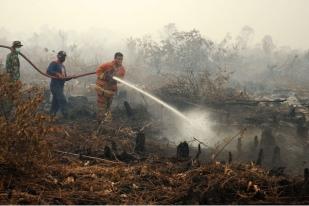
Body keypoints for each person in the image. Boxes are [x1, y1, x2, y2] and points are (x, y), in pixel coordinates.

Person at [95, 52, 125, 121]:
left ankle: (105, 121)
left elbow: (120, 79)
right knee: (101, 107)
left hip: (110, 91)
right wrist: (105, 76)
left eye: (121, 59)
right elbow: (98, 71)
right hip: (102, 89)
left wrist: (115, 78)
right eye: (119, 59)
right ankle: (100, 122)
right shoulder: (107, 65)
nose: (120, 61)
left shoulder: (122, 69)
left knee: (108, 107)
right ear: (115, 59)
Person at [47, 51, 72, 118]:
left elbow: (64, 78)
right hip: (55, 85)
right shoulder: (54, 63)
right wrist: (57, 74)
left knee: (56, 102)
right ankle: (66, 115)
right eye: (62, 56)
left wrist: (71, 77)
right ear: (58, 56)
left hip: (60, 86)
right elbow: (48, 71)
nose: (63, 58)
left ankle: (51, 115)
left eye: (64, 57)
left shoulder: (63, 66)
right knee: (62, 99)